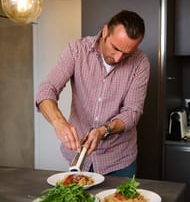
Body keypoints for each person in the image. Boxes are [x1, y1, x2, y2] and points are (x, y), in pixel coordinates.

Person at [36, 9, 150, 177]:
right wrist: (58, 122)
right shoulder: (77, 50)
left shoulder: (140, 62)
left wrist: (103, 131)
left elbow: (132, 113)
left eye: (127, 53)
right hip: (79, 158)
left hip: (119, 161)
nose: (118, 58)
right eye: (115, 48)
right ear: (105, 31)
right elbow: (47, 89)